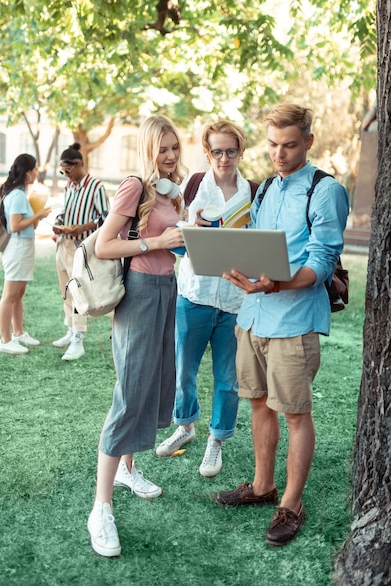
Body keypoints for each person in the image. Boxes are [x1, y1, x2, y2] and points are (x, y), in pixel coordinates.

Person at [214, 105, 350, 547]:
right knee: (257, 403)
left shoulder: (325, 190)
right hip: (252, 316)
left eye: (289, 145)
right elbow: (257, 245)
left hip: (293, 320)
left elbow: (322, 262)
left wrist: (277, 284)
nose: (279, 153)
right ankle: (261, 487)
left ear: (308, 141)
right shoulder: (268, 187)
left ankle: (290, 503)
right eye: (272, 144)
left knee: (295, 413)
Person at [87, 114, 187, 557]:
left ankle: (128, 469)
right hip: (142, 292)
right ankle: (100, 509)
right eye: (162, 149)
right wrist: (157, 242)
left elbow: (170, 240)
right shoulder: (134, 186)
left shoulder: (171, 191)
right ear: (148, 149)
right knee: (130, 392)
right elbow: (104, 245)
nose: (169, 157)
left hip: (169, 289)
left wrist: (188, 235)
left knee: (152, 384)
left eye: (174, 149)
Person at [156, 119, 259, 477]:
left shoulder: (254, 193)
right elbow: (171, 233)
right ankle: (185, 425)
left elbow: (259, 247)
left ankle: (217, 440)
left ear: (240, 151)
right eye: (217, 151)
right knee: (183, 370)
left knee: (227, 379)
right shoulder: (193, 185)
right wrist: (190, 228)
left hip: (233, 302)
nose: (224, 158)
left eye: (231, 150)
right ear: (207, 151)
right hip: (195, 294)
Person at [52, 143, 110, 361]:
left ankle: (78, 338)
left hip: (81, 248)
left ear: (79, 165)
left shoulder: (96, 187)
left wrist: (83, 227)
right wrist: (58, 224)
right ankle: (70, 330)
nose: (65, 175)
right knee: (65, 290)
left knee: (78, 292)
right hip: (63, 245)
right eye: (62, 171)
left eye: (67, 170)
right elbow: (64, 211)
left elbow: (107, 219)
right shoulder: (69, 187)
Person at [0, 154, 51, 354]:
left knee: (19, 294)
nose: (36, 172)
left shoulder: (19, 192)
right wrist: (39, 215)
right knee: (10, 295)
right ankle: (5, 339)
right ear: (27, 172)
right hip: (17, 247)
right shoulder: (18, 195)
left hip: (23, 246)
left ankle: (18, 333)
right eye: (35, 169)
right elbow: (15, 226)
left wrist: (35, 217)